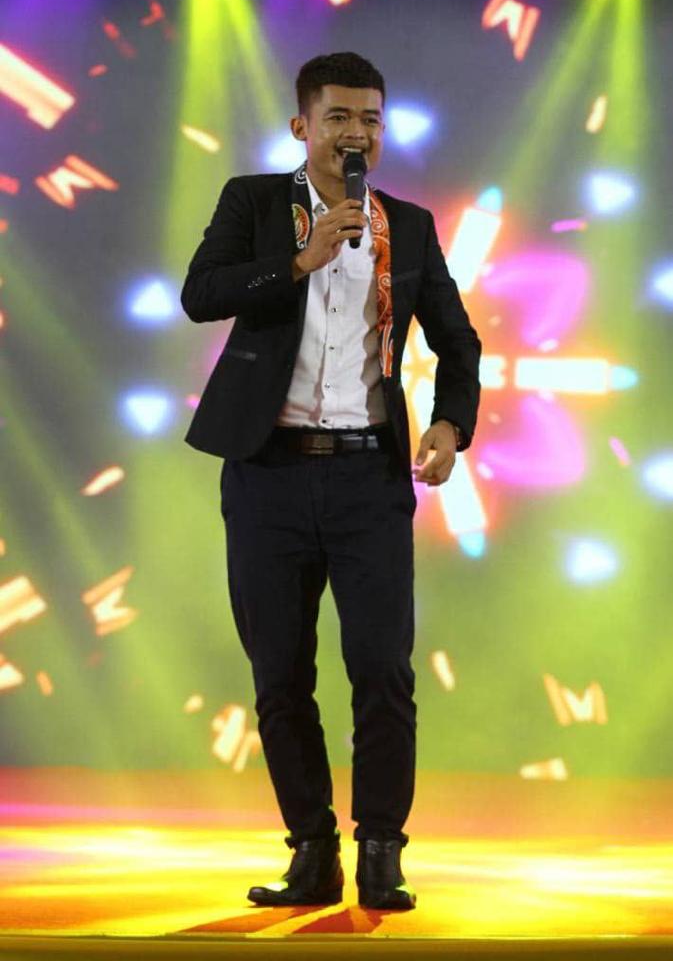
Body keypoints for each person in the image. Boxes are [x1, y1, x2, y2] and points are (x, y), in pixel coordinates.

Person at [180, 52, 481, 910]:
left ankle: (381, 851)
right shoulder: (252, 203)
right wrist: (299, 259)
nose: (356, 133)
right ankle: (311, 851)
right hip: (267, 473)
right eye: (339, 117)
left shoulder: (407, 226)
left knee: (382, 670)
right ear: (301, 126)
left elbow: (456, 340)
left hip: (366, 478)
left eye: (370, 120)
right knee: (279, 675)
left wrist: (450, 424)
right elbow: (200, 294)